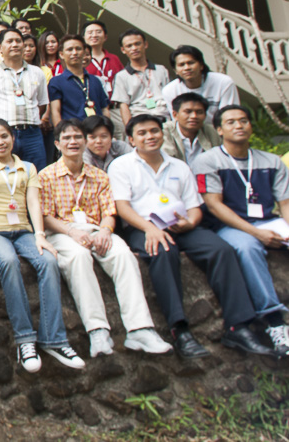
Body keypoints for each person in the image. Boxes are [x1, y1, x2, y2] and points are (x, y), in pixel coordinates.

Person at [108, 114, 273, 358]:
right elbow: (122, 208)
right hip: (143, 228)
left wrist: (191, 223)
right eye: (142, 133)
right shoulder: (121, 166)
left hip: (181, 225)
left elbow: (194, 206)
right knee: (163, 251)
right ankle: (180, 329)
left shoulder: (179, 166)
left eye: (154, 131)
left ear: (162, 134)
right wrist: (150, 229)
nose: (150, 136)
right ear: (131, 139)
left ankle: (238, 326)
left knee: (221, 250)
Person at [38, 120, 172, 358]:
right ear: (57, 144)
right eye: (67, 138)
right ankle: (97, 330)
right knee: (78, 257)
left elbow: (109, 212)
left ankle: (140, 329)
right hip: (62, 232)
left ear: (85, 142)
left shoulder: (100, 176)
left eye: (78, 137)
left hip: (96, 229)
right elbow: (46, 216)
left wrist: (105, 231)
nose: (73, 142)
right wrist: (72, 232)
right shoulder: (46, 176)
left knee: (123, 255)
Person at [0, 119, 85, 372]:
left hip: (23, 231)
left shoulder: (29, 168)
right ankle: (25, 340)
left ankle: (54, 339)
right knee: (9, 262)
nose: (0, 142)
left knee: (48, 261)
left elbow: (34, 203)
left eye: (4, 136)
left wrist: (40, 235)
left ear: (13, 138)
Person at [191, 105, 289, 355]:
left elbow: (285, 204)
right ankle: (274, 322)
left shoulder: (271, 161)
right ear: (220, 130)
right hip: (227, 225)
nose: (239, 126)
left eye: (244, 121)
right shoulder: (208, 160)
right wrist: (257, 234)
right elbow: (213, 205)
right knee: (247, 248)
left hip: (267, 220)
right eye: (232, 122)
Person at [0, 29, 50, 171]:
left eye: (18, 41)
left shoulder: (37, 72)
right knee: (5, 176)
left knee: (37, 174)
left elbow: (42, 104)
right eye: (10, 41)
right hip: (3, 134)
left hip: (32, 134)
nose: (15, 45)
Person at [161, 45, 239, 121]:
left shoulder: (223, 82)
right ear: (175, 70)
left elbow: (230, 115)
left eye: (191, 63)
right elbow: (178, 121)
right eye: (182, 65)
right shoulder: (170, 90)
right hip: (190, 131)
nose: (187, 68)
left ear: (201, 65)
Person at [48, 34, 110, 126]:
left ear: (84, 52)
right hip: (73, 134)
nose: (74, 53)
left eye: (78, 49)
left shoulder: (95, 80)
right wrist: (60, 134)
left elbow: (104, 109)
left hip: (97, 133)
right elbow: (55, 112)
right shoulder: (56, 82)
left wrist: (108, 130)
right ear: (61, 54)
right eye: (70, 49)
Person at [112, 28, 171, 123]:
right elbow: (124, 105)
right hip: (140, 121)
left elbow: (170, 97)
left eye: (137, 44)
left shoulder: (161, 70)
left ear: (145, 44)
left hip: (164, 119)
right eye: (129, 46)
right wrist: (130, 130)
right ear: (123, 50)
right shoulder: (121, 76)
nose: (134, 48)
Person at [161, 93, 221, 165]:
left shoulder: (213, 132)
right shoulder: (162, 131)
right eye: (188, 112)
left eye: (199, 112)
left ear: (205, 115)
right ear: (175, 115)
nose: (194, 116)